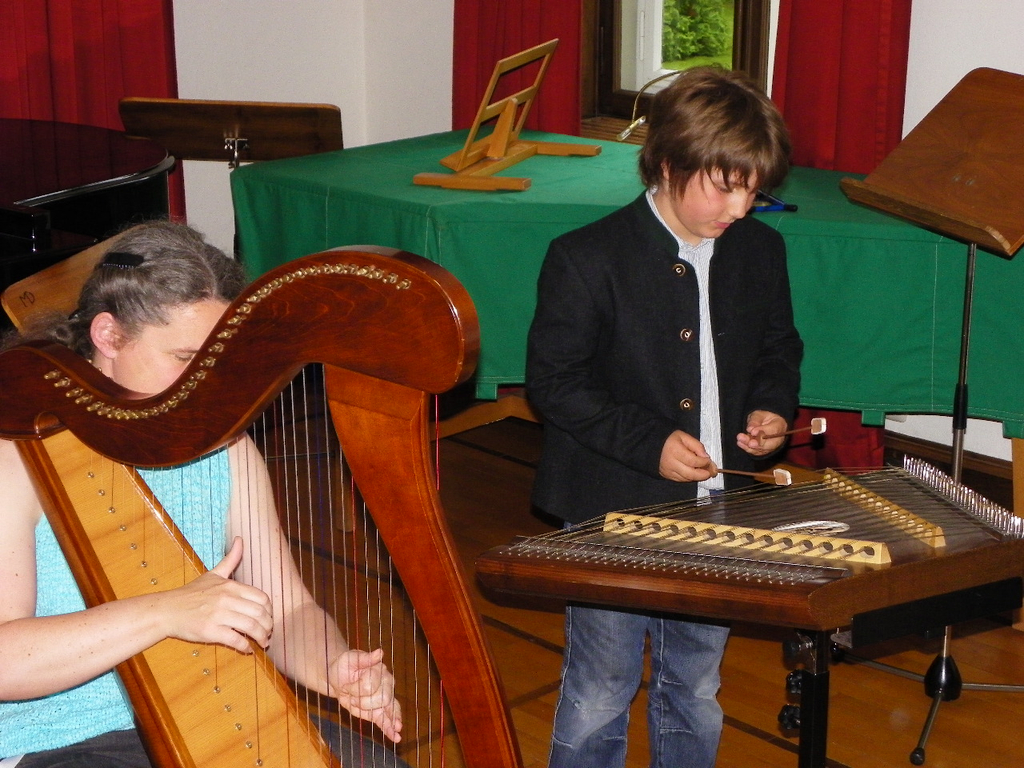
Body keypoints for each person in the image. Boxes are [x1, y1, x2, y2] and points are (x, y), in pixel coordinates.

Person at [0, 221, 404, 768]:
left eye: (219, 360)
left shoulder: (225, 446)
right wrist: (164, 612)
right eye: (186, 357)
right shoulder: (17, 453)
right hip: (59, 740)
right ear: (109, 336)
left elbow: (289, 610)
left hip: (213, 709)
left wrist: (333, 666)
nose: (207, 383)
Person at [526, 66, 804, 768]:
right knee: (600, 688)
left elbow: (779, 348)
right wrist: (649, 443)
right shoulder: (586, 258)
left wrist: (771, 408)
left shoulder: (761, 249)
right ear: (670, 164)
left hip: (717, 512)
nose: (740, 208)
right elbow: (555, 384)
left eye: (753, 191)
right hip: (609, 511)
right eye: (725, 186)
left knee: (696, 686)